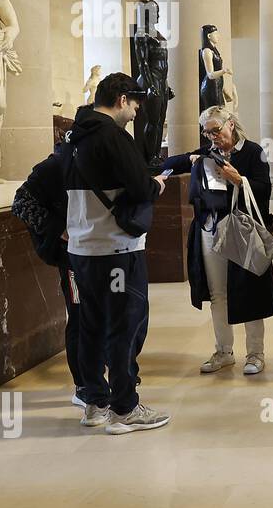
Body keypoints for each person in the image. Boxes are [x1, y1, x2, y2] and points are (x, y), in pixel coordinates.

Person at [63, 73, 169, 435]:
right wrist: (156, 184)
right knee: (124, 326)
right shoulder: (113, 136)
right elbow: (140, 188)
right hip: (116, 248)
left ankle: (95, 402)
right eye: (136, 104)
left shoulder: (73, 136)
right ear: (122, 99)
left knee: (90, 325)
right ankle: (125, 408)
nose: (137, 112)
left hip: (81, 248)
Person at [159, 105, 273, 376]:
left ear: (231, 125)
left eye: (216, 131)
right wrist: (190, 158)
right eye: (208, 133)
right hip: (209, 229)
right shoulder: (207, 153)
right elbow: (166, 164)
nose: (212, 137)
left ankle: (255, 353)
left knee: (248, 289)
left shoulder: (253, 152)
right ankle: (224, 351)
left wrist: (239, 180)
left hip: (241, 229)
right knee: (217, 293)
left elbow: (264, 191)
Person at [12, 104, 93, 407]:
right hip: (72, 256)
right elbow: (21, 202)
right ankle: (84, 385)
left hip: (99, 252)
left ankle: (98, 377)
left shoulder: (92, 161)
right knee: (81, 316)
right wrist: (60, 229)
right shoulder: (54, 166)